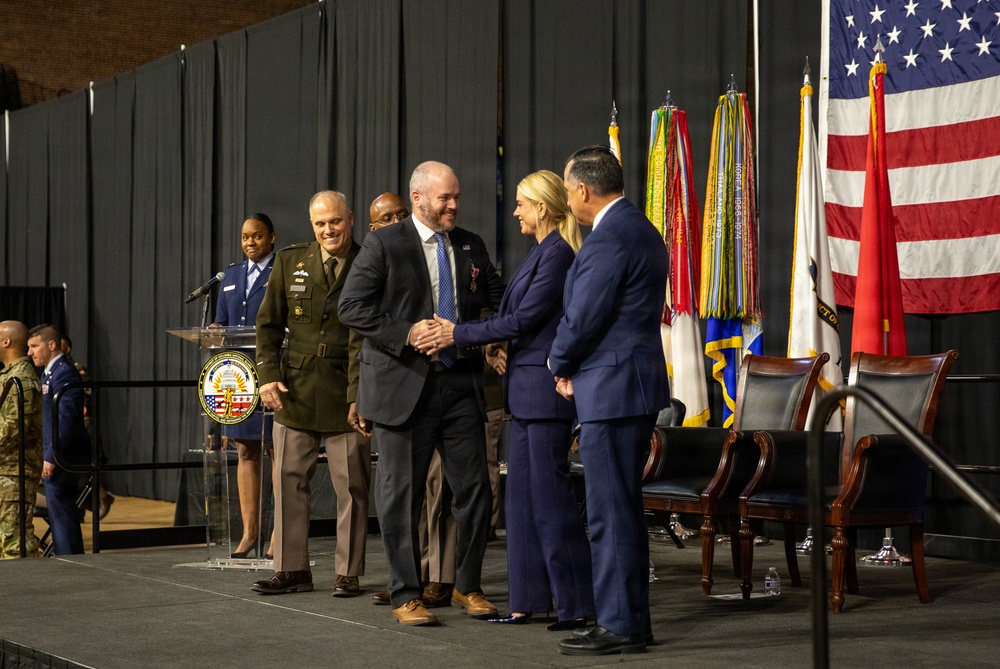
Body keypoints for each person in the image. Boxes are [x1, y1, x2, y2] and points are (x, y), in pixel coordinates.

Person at [424, 169, 595, 630]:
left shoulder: (558, 254)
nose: (515, 210)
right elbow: (512, 317)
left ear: (541, 207)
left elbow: (524, 318)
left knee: (551, 502)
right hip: (522, 393)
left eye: (521, 203)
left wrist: (457, 333)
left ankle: (576, 605)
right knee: (519, 505)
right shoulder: (541, 252)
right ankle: (527, 601)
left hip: (544, 396)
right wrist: (496, 345)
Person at [339, 161, 504, 626]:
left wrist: (487, 340)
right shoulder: (384, 243)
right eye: (444, 199)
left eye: (456, 197)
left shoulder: (471, 244)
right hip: (401, 388)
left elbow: (491, 301)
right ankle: (404, 593)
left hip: (459, 385)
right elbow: (351, 307)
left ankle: (466, 585)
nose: (453, 205)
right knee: (400, 498)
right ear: (417, 199)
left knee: (476, 492)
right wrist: (407, 333)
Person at [548, 146, 669, 656]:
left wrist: (559, 362)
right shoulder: (642, 228)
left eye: (568, 190)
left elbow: (584, 315)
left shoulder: (608, 237)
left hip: (612, 391)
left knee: (609, 512)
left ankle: (619, 623)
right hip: (630, 387)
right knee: (621, 507)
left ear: (581, 190)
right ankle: (629, 620)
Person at [250, 191, 370, 598]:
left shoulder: (370, 261)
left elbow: (365, 338)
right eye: (320, 224)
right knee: (287, 481)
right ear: (311, 225)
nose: (328, 230)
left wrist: (360, 396)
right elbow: (266, 326)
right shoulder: (290, 260)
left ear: (350, 219)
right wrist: (266, 375)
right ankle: (291, 569)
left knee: (351, 486)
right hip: (295, 389)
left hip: (345, 389)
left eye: (335, 221)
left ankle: (348, 572)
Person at [211, 213, 277, 559]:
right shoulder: (232, 275)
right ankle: (249, 533)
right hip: (237, 376)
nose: (251, 242)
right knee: (244, 450)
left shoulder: (281, 269)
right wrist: (215, 328)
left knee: (275, 451)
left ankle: (278, 535)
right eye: (245, 237)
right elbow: (222, 321)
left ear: (271, 238)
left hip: (271, 372)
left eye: (257, 236)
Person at [27, 324, 91, 555]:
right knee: (58, 514)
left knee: (62, 514)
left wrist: (51, 457)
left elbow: (65, 421)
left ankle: (70, 562)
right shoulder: (50, 372)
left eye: (34, 346)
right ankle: (67, 558)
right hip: (56, 453)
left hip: (63, 456)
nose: (30, 352)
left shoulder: (64, 372)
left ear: (51, 345)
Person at [0, 321, 44, 559]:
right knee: (5, 541)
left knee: (15, 544)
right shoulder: (10, 375)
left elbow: (12, 428)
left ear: (6, 341)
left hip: (14, 472)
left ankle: (28, 594)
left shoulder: (21, 379)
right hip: (5, 470)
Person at [59, 334, 114, 520]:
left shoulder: (77, 369)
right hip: (67, 421)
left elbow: (86, 393)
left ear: (68, 348)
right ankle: (92, 501)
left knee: (83, 467)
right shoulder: (55, 370)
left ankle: (98, 498)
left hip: (83, 421)